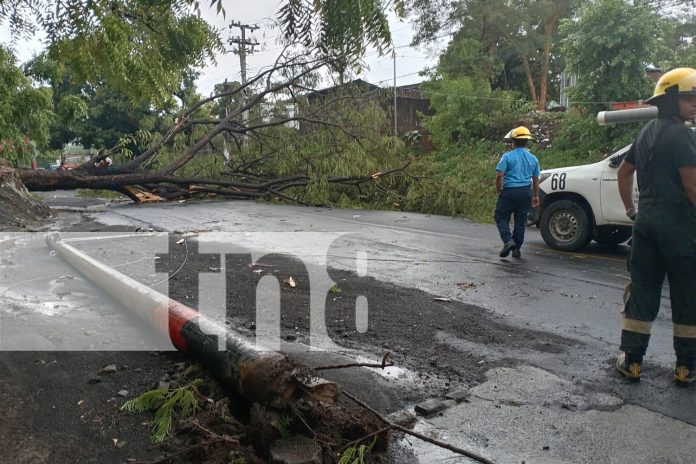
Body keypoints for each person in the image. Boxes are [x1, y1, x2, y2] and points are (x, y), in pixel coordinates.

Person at [615, 67, 696, 386]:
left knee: (643, 291)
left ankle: (631, 360)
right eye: (689, 99)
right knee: (687, 294)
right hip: (679, 229)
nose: (694, 105)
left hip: (645, 226)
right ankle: (687, 366)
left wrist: (632, 210)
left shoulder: (646, 130)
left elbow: (624, 172)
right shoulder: (683, 135)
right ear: (670, 100)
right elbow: (692, 188)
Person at [494, 126, 541, 258]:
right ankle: (516, 248)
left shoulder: (507, 157)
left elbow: (499, 176)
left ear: (513, 141)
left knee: (500, 216)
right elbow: (536, 179)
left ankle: (508, 241)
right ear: (527, 142)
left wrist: (499, 191)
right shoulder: (533, 159)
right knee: (520, 220)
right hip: (526, 192)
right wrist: (536, 195)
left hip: (510, 192)